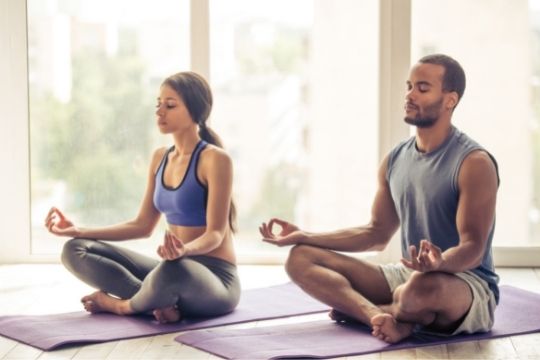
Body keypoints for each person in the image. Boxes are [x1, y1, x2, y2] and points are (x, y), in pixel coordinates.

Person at [260, 54, 499, 343]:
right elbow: (375, 234)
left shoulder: (474, 162)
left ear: (450, 100)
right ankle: (379, 317)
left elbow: (473, 247)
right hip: (409, 275)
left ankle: (380, 311)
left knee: (415, 293)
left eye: (422, 88)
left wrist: (439, 263)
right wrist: (305, 235)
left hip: (464, 283)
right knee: (300, 258)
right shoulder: (396, 158)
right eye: (409, 86)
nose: (410, 95)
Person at [45, 71, 240, 323]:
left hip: (215, 281)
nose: (160, 112)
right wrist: (78, 230)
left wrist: (184, 251)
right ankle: (158, 305)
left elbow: (215, 233)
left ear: (195, 111)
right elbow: (142, 225)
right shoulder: (160, 157)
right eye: (158, 104)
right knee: (75, 250)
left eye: (170, 105)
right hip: (172, 267)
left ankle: (122, 306)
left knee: (172, 270)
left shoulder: (215, 159)